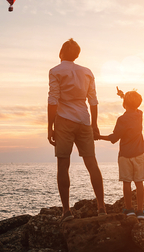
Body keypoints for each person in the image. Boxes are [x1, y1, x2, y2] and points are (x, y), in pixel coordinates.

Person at [47, 38, 106, 222]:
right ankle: (101, 208)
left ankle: (66, 211)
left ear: (61, 52)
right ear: (77, 55)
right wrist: (94, 125)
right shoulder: (87, 72)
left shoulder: (55, 71)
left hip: (64, 121)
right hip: (84, 120)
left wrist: (50, 126)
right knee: (92, 164)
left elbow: (53, 100)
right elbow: (93, 101)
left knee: (63, 166)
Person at [98, 87, 144, 220]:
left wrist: (99, 136)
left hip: (125, 155)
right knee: (139, 182)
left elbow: (114, 138)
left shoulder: (122, 119)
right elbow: (133, 106)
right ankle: (140, 211)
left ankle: (129, 209)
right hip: (139, 154)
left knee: (127, 182)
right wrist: (123, 96)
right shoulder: (139, 115)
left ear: (124, 104)